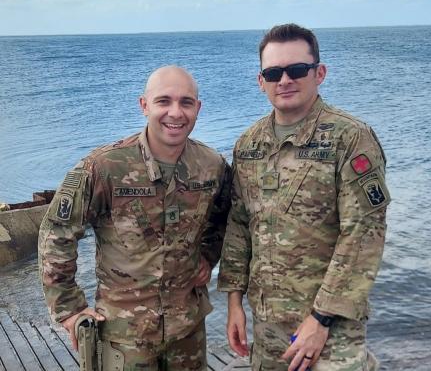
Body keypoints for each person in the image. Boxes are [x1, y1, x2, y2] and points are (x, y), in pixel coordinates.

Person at [218, 24, 390, 371]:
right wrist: (234, 303)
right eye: (273, 72)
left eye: (297, 70)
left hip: (331, 329)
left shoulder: (350, 138)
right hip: (267, 325)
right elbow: (239, 227)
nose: (285, 80)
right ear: (261, 81)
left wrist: (320, 319)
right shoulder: (248, 145)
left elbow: (363, 235)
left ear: (319, 73)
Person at [39, 65, 231, 370]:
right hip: (124, 333)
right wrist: (69, 310)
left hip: (188, 327)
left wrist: (207, 256)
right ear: (144, 105)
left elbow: (224, 216)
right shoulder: (104, 167)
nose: (175, 113)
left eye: (186, 102)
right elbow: (57, 233)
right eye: (163, 101)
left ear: (198, 108)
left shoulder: (211, 165)